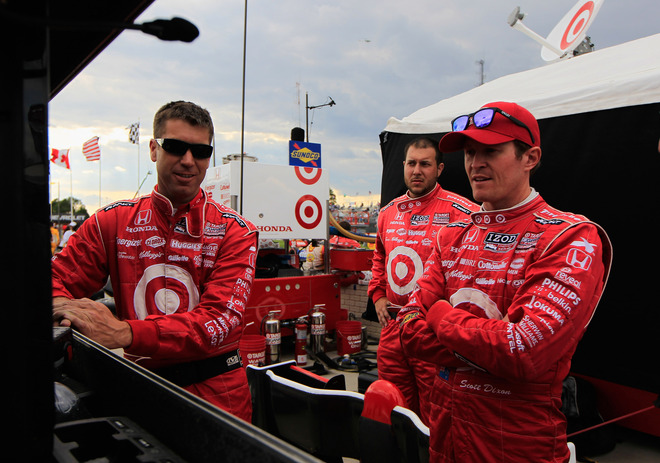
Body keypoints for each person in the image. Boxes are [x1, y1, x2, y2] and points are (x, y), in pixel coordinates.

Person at [398, 102, 612, 462]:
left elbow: (523, 352)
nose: (475, 162)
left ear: (530, 157)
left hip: (516, 442)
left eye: (491, 151)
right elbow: (406, 331)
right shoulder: (451, 234)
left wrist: (438, 316)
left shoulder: (569, 237)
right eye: (469, 151)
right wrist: (487, 347)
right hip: (445, 433)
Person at [52, 101, 259, 422]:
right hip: (140, 387)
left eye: (201, 151)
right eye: (176, 147)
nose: (189, 161)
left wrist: (124, 333)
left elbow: (217, 322)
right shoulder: (111, 221)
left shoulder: (236, 230)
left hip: (217, 395)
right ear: (153, 149)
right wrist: (65, 309)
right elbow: (53, 280)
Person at [368, 137, 478, 425]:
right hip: (393, 329)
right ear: (403, 166)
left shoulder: (464, 212)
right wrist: (378, 294)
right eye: (412, 163)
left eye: (425, 164)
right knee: (392, 408)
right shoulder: (388, 212)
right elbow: (379, 257)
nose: (417, 170)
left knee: (434, 413)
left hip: (432, 332)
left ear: (439, 168)